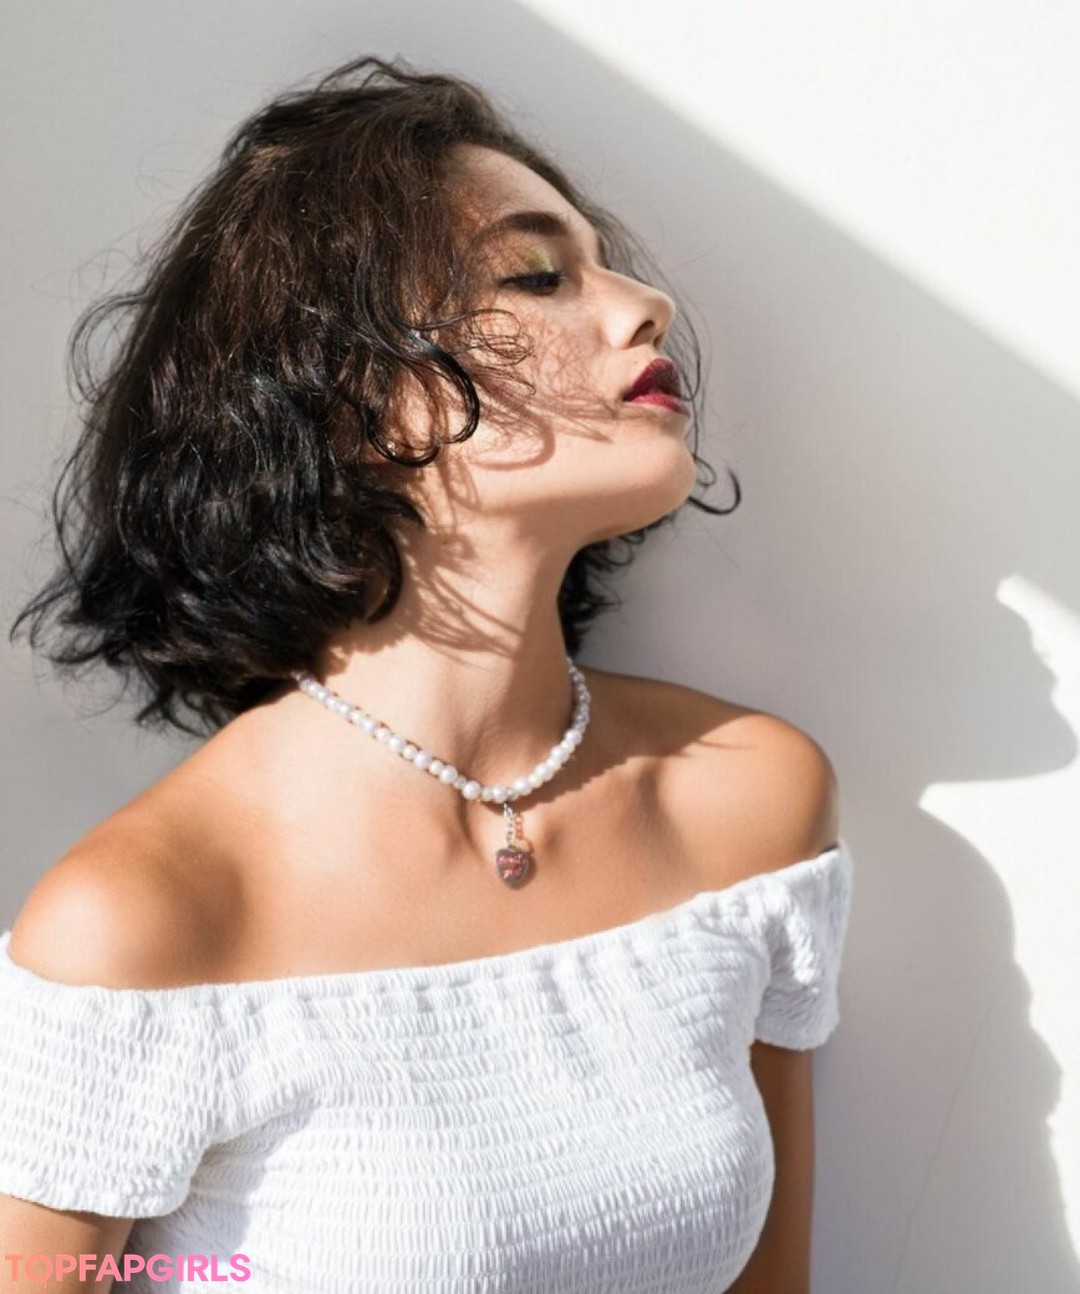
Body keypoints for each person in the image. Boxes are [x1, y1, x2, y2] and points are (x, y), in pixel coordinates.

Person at [0, 54, 854, 1294]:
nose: (644, 305)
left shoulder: (748, 800)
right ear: (355, 400)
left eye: (608, 264)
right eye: (536, 273)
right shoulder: (144, 919)